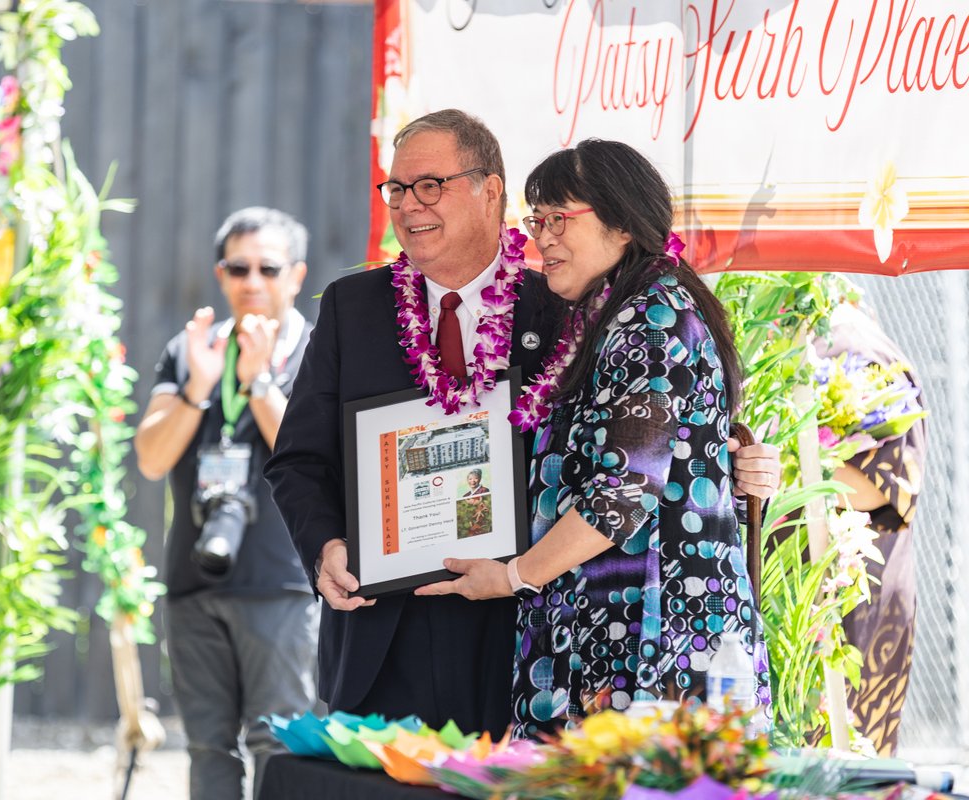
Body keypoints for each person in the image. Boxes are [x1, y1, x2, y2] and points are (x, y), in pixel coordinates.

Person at [265, 110, 780, 739]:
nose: (408, 204)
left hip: (526, 633)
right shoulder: (353, 307)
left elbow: (641, 462)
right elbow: (299, 460)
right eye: (396, 189)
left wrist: (734, 463)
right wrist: (326, 548)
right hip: (385, 635)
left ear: (490, 191)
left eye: (430, 185)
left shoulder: (571, 307)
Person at [415, 139, 772, 737]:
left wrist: (511, 576)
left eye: (559, 219)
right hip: (622, 635)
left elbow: (621, 495)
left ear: (624, 223)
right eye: (536, 221)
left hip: (650, 647)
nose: (541, 239)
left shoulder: (648, 321)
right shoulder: (611, 317)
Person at [134, 207, 318, 799]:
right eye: (238, 267)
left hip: (282, 583)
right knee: (207, 746)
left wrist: (259, 381)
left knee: (279, 742)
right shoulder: (190, 351)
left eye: (268, 267)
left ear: (296, 275)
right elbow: (152, 457)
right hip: (195, 582)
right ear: (221, 275)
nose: (253, 282)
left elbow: (315, 458)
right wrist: (199, 387)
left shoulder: (317, 352)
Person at [821, 300, 927, 755]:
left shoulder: (855, 349)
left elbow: (879, 488)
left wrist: (785, 469)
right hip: (807, 586)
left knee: (851, 758)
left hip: (855, 595)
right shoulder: (813, 340)